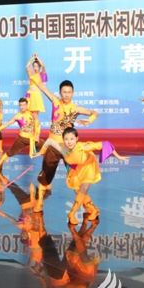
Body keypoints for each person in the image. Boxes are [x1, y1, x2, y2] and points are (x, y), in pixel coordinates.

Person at [34, 127, 129, 224]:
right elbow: (50, 141)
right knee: (77, 190)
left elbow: (105, 144)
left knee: (83, 189)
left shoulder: (83, 147)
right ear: (63, 140)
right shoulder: (62, 147)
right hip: (76, 168)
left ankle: (72, 213)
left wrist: (118, 156)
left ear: (77, 138)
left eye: (72, 139)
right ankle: (93, 210)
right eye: (66, 139)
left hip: (88, 167)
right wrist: (41, 152)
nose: (69, 142)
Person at [31, 79, 99, 212]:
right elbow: (41, 86)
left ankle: (88, 205)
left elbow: (94, 112)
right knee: (45, 176)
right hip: (53, 147)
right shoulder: (55, 101)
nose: (66, 95)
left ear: (73, 93)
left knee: (76, 178)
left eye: (69, 92)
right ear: (60, 92)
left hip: (69, 148)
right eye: (64, 92)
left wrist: (90, 119)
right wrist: (33, 72)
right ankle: (39, 202)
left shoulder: (75, 108)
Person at [0, 97, 38, 171]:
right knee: (9, 153)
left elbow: (37, 123)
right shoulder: (17, 116)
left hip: (32, 139)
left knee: (45, 147)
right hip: (21, 139)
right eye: (20, 105)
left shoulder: (31, 113)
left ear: (27, 105)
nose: (22, 107)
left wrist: (37, 135)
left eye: (24, 105)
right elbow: (6, 124)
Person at [25, 53, 48, 142]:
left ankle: (36, 136)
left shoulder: (41, 74)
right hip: (29, 96)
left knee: (35, 117)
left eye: (36, 66)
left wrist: (37, 58)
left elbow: (44, 66)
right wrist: (32, 58)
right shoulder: (31, 74)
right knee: (30, 116)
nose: (35, 68)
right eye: (34, 66)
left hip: (36, 96)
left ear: (39, 67)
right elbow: (27, 66)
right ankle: (33, 134)